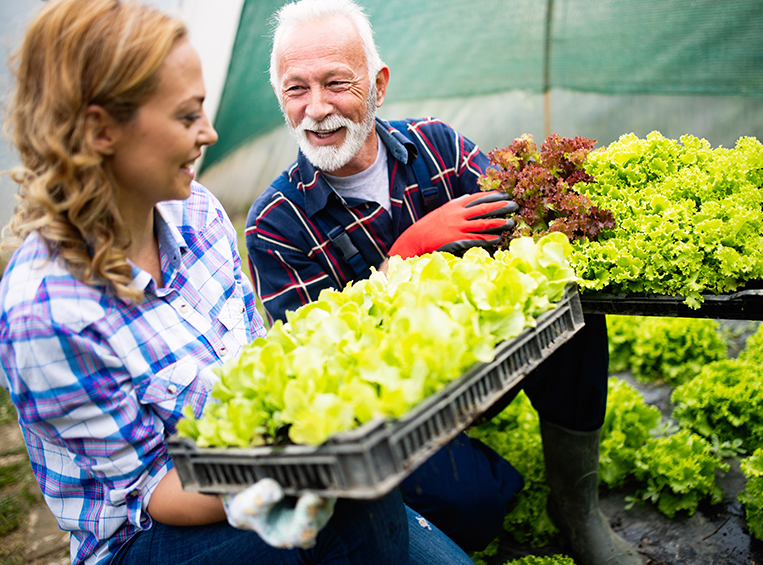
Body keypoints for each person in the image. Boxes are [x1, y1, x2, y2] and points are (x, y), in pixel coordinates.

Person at [0, 1, 475, 564]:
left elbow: (261, 364)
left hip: (258, 462)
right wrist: (305, 474)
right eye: (186, 116)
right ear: (102, 129)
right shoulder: (46, 312)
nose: (210, 132)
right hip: (152, 533)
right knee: (359, 513)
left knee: (430, 511)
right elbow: (156, 491)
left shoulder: (195, 211)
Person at [245, 1, 645, 564]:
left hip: (492, 360)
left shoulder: (437, 146)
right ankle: (476, 473)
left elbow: (524, 231)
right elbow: (317, 361)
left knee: (574, 309)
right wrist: (404, 254)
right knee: (478, 510)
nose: (316, 108)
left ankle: (578, 512)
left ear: (378, 84)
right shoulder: (275, 224)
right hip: (397, 415)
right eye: (296, 89)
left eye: (337, 83)